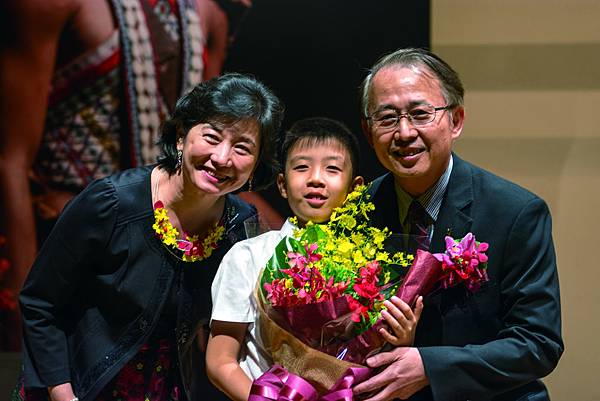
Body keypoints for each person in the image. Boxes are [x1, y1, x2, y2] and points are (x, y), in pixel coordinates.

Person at [0, 0, 252, 351]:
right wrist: (21, 302)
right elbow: (11, 159)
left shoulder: (208, 13)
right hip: (66, 234)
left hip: (165, 232)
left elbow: (213, 146)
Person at [17, 73, 283, 401]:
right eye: (212, 137)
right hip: (80, 387)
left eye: (242, 148)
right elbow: (40, 303)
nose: (222, 157)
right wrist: (63, 394)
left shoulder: (240, 226)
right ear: (182, 136)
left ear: (256, 166)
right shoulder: (111, 203)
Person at [351, 48, 563, 401]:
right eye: (387, 118)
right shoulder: (357, 212)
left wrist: (430, 367)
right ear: (368, 131)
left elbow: (538, 344)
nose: (404, 132)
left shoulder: (515, 213)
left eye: (420, 114)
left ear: (456, 120)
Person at [206, 117, 425, 401]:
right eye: (301, 167)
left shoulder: (374, 264)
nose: (316, 178)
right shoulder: (248, 256)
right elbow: (220, 361)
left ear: (355, 187)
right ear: (282, 185)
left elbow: (383, 360)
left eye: (332, 168)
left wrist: (401, 339)